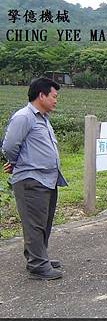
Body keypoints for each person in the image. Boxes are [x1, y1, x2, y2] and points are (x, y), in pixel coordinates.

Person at [2, 77, 67, 280]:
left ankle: (39, 257)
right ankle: (38, 265)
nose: (56, 100)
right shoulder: (24, 117)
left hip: (47, 179)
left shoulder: (43, 118)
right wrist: (16, 163)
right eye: (54, 96)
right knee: (34, 224)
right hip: (31, 179)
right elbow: (9, 146)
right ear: (41, 95)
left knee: (43, 222)